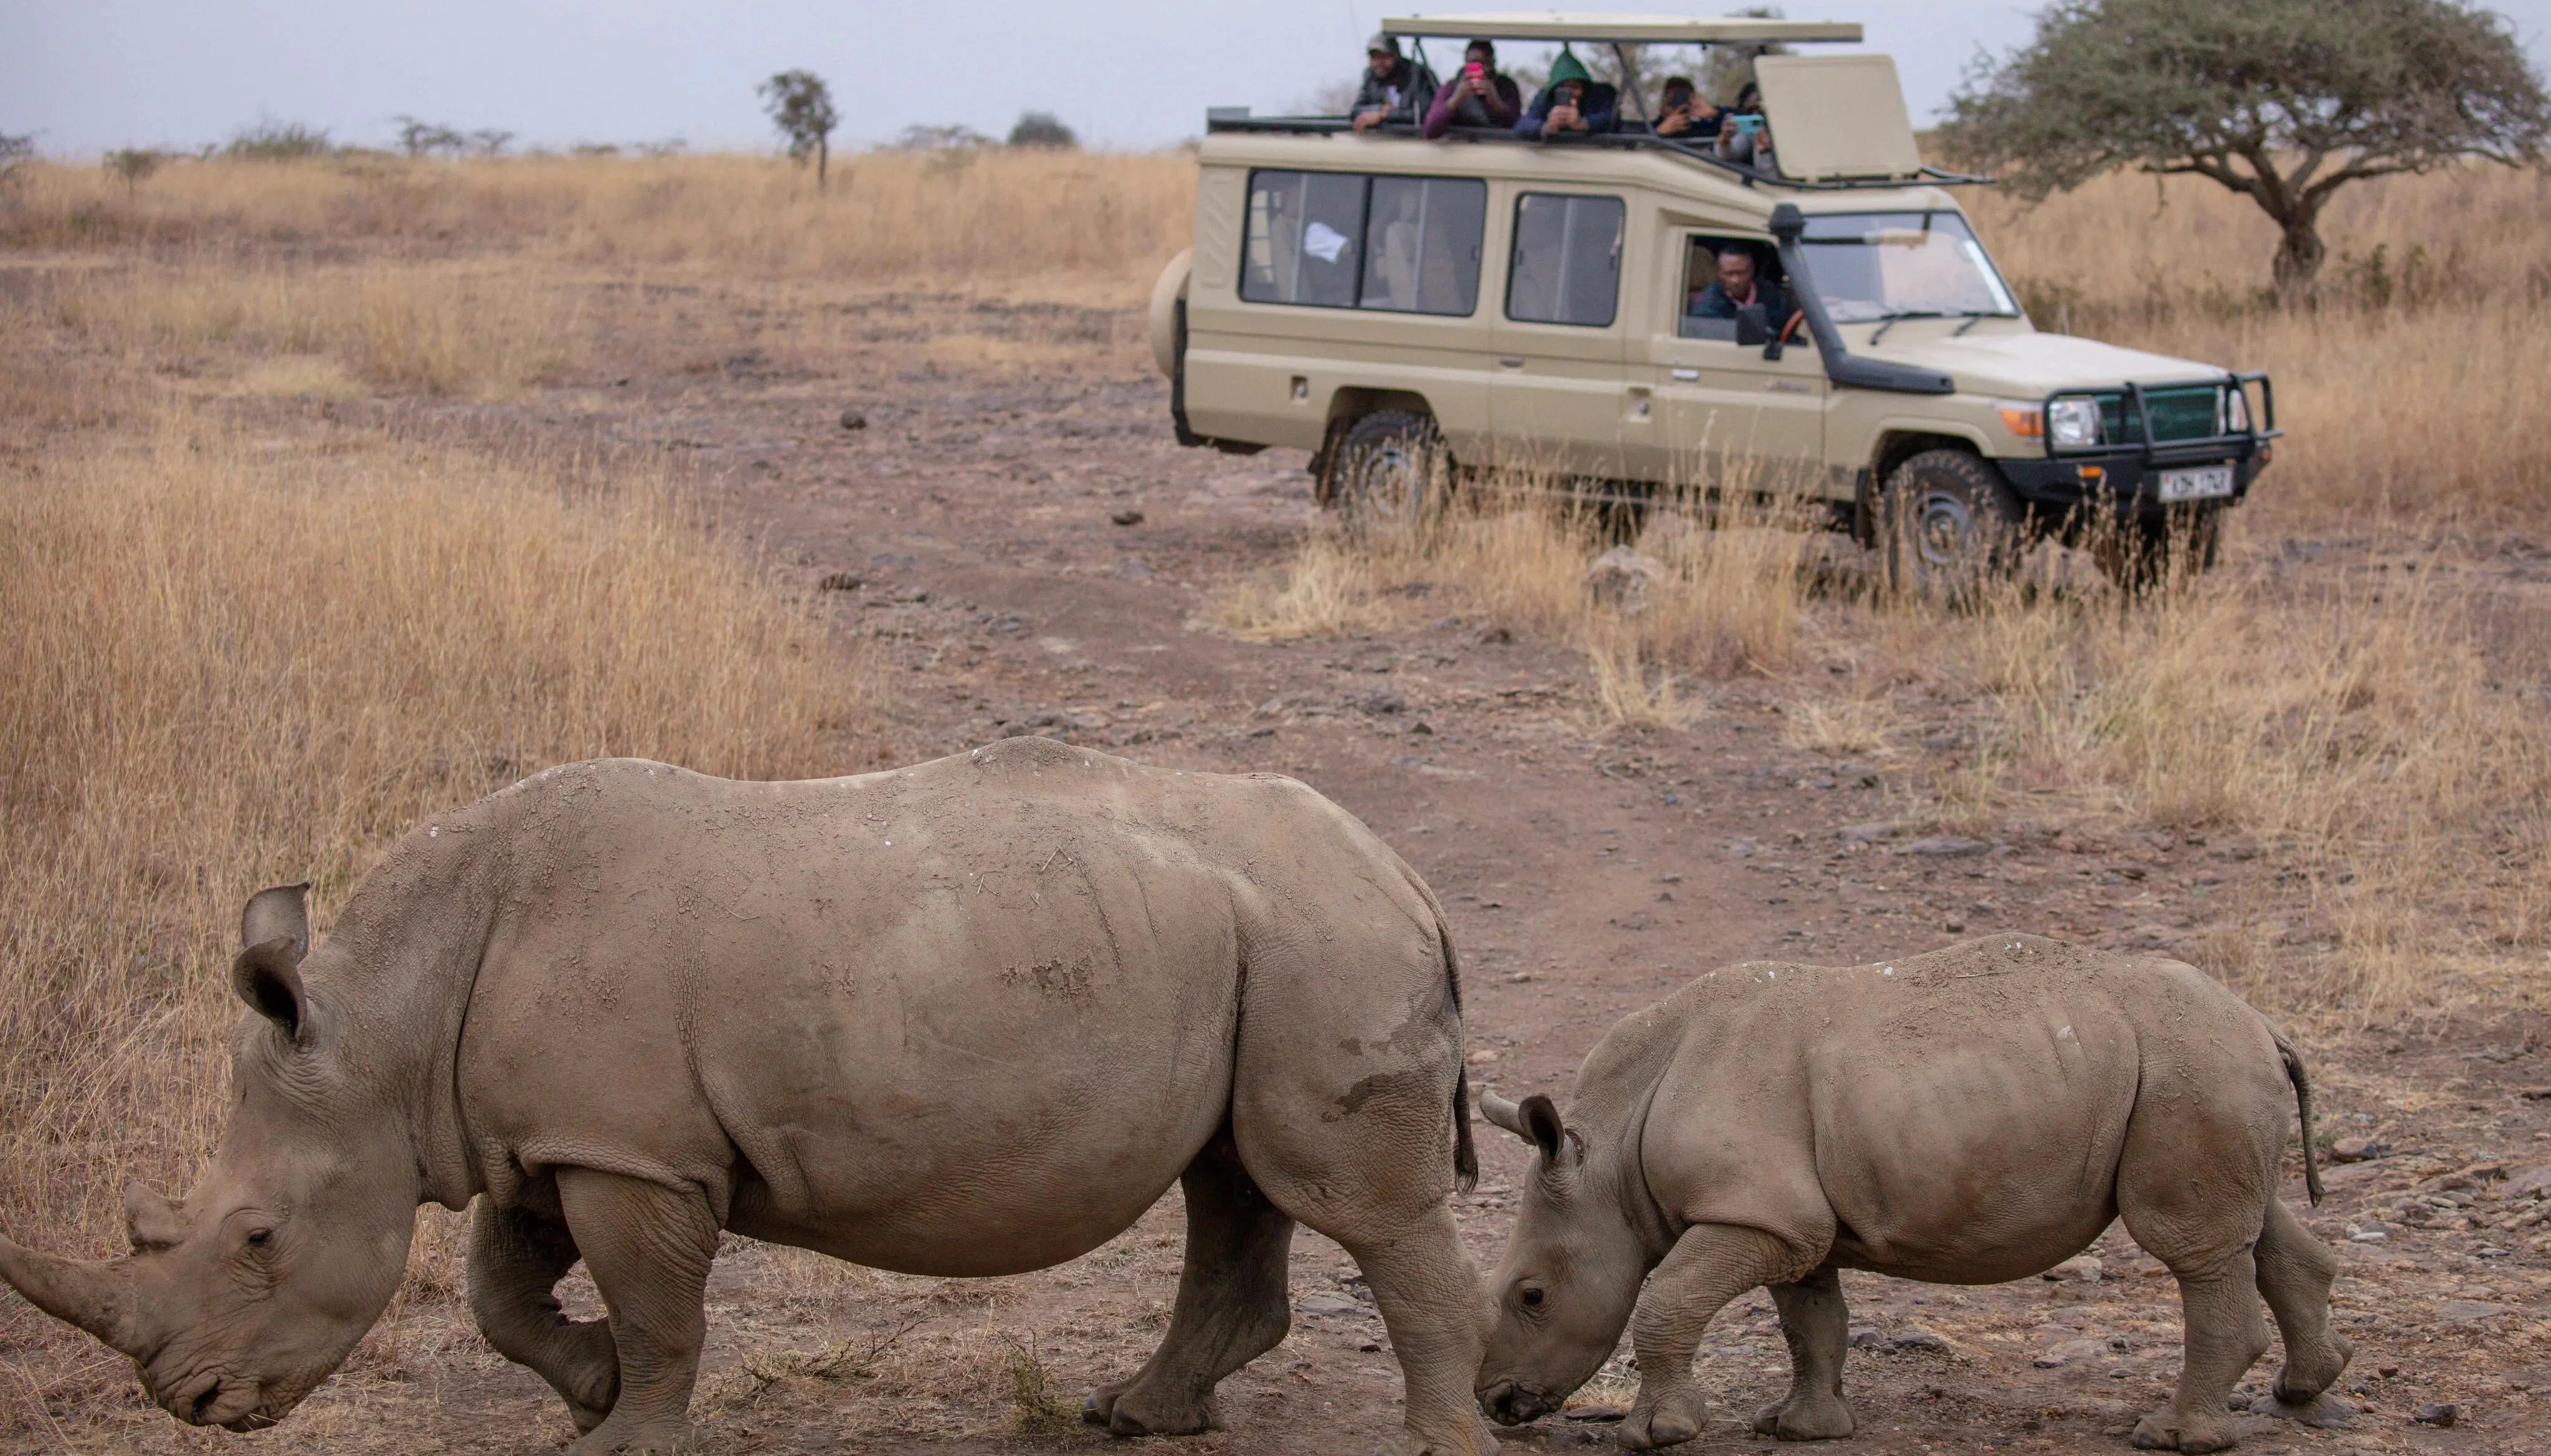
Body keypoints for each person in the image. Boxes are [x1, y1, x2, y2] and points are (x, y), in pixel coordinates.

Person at [1421, 38, 1523, 138]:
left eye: (1484, 63)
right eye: (1474, 63)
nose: (1481, 70)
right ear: (1466, 63)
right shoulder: (1451, 88)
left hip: (1499, 147)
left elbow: (1519, 127)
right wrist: (1457, 99)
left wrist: (1496, 103)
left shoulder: (1507, 87)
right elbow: (1430, 130)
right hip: (1461, 147)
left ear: (1493, 63)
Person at [1514, 47, 1618, 139]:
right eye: (1563, 88)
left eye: (1575, 87)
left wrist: (1583, 123)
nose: (1570, 93)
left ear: (1584, 87)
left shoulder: (1601, 95)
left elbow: (1612, 119)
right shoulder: (1545, 98)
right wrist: (1546, 127)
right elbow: (1522, 126)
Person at [1688, 242, 1794, 326]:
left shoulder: (1772, 296)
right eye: (1729, 274)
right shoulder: (1707, 305)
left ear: (1752, 270)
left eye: (1742, 273)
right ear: (1719, 273)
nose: (1736, 280)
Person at [1350, 33, 1438, 133]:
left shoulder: (1418, 75)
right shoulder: (1371, 77)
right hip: (1381, 141)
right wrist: (1379, 109)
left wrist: (1386, 115)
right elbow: (1356, 110)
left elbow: (1426, 113)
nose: (1379, 63)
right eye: (1375, 58)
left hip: (1415, 140)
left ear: (1396, 56)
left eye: (1384, 57)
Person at [1717, 82, 1774, 168]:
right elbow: (1727, 157)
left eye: (1760, 110)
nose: (1755, 115)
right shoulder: (1752, 132)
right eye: (1751, 111)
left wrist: (1766, 152)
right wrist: (1725, 141)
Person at [1649, 76, 1721, 139]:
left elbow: (1729, 129)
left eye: (1683, 99)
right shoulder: (1647, 129)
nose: (1679, 106)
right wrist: (1659, 133)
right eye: (1672, 100)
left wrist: (1716, 114)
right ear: (1663, 103)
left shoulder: (1704, 129)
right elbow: (1641, 147)